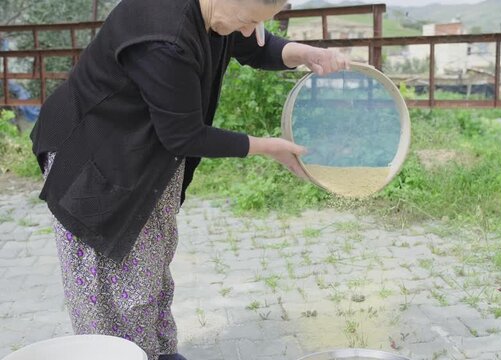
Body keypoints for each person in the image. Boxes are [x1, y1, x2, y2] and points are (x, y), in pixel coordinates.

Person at [29, 0, 349, 358]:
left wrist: (306, 53)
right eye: (248, 20)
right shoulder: (165, 37)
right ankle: (121, 351)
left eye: (257, 23)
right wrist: (267, 147)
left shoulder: (219, 12)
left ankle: (160, 351)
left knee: (150, 266)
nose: (249, 30)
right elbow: (184, 136)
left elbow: (254, 45)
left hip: (146, 153)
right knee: (113, 286)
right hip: (96, 159)